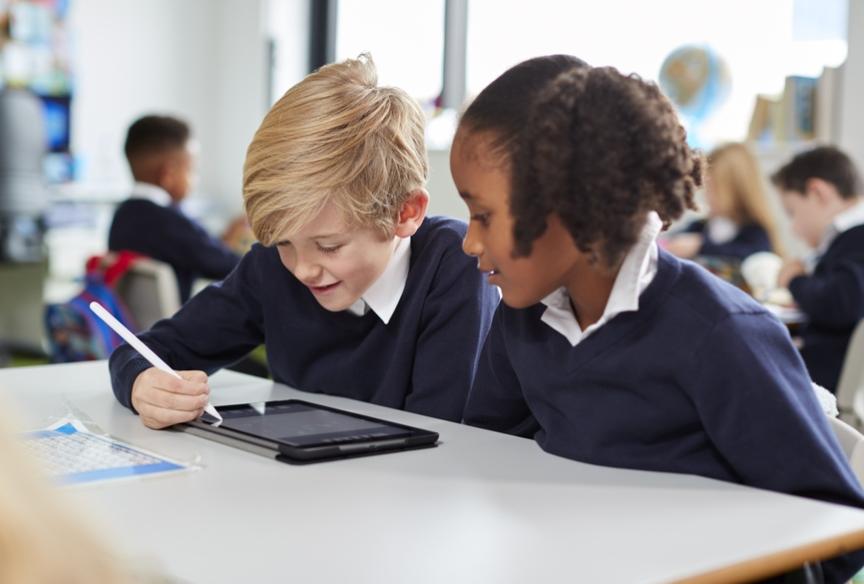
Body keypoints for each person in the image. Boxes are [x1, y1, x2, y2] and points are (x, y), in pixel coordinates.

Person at [451, 55, 864, 582]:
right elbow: (485, 460)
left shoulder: (720, 334)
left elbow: (837, 528)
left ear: (574, 205)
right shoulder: (524, 318)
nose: (470, 241)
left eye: (483, 215)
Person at [108, 54, 498, 429]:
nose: (302, 269)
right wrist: (142, 384)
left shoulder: (455, 262)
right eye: (282, 243)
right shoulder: (271, 268)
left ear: (405, 213)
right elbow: (142, 350)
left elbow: (440, 437)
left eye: (329, 246)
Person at [108, 114, 242, 303]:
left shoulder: (122, 215)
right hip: (174, 330)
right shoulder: (170, 222)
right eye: (192, 169)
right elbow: (232, 267)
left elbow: (199, 252)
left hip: (134, 328)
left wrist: (225, 239)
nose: (195, 179)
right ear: (168, 174)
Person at [774, 145, 864, 391]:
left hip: (832, 385)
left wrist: (795, 280)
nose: (793, 228)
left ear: (817, 193)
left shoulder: (856, 237)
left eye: (792, 212)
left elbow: (841, 303)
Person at [665, 142, 783, 260]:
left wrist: (701, 247)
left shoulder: (757, 234)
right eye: (707, 188)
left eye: (714, 189)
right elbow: (670, 242)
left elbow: (754, 255)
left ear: (736, 189)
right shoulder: (700, 227)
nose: (707, 196)